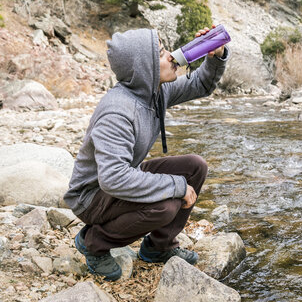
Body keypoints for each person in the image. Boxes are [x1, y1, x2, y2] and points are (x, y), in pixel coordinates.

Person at [63, 26, 230, 281]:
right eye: (163, 54)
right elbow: (114, 178)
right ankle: (93, 242)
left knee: (195, 167)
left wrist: (213, 56)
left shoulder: (153, 92)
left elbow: (200, 84)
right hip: (92, 196)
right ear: (145, 67)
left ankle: (158, 247)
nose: (172, 56)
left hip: (117, 183)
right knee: (166, 204)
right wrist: (176, 186)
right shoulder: (117, 112)